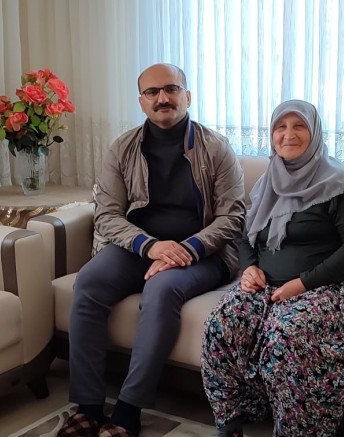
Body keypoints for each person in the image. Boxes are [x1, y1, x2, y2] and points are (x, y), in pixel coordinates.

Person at [56, 63, 245, 437]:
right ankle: (88, 407)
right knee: (89, 281)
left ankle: (127, 411)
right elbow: (107, 215)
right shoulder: (122, 148)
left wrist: (187, 249)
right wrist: (151, 246)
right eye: (152, 92)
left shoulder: (217, 148)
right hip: (140, 247)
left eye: (171, 89)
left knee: (160, 289)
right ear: (141, 101)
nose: (163, 98)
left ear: (187, 96)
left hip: (204, 252)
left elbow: (233, 217)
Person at [200, 99, 344, 437]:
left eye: (299, 126)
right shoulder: (269, 180)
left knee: (287, 334)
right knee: (223, 323)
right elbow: (245, 235)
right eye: (280, 127)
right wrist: (249, 268)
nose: (288, 134)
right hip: (270, 285)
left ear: (314, 132)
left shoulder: (338, 182)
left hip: (335, 284)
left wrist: (302, 284)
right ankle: (230, 423)